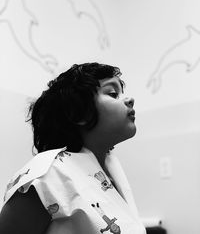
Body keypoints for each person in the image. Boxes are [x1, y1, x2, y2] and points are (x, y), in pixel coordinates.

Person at [0, 62, 146, 234]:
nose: (129, 99)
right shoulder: (47, 175)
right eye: (113, 94)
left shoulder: (112, 169)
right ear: (79, 113)